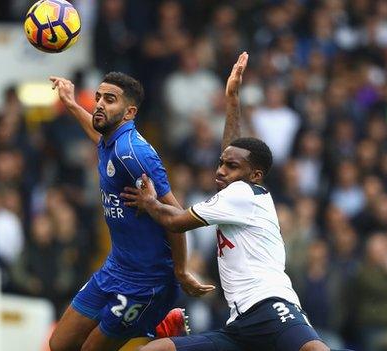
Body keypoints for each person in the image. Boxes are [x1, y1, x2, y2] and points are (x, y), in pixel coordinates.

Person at [122, 52, 330, 351]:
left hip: (270, 304)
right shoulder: (240, 191)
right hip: (240, 324)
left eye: (230, 167)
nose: (220, 170)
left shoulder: (241, 194)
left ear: (254, 175)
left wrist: (150, 202)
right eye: (220, 163)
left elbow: (176, 223)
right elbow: (233, 149)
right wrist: (232, 99)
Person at [48, 70, 215, 351]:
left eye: (109, 100)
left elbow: (175, 213)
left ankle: (157, 322)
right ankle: (157, 324)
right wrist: (72, 102)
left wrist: (182, 270)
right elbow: (96, 135)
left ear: (129, 112)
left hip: (146, 281)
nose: (100, 104)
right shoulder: (109, 139)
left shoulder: (135, 153)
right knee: (59, 344)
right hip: (116, 267)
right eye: (98, 97)